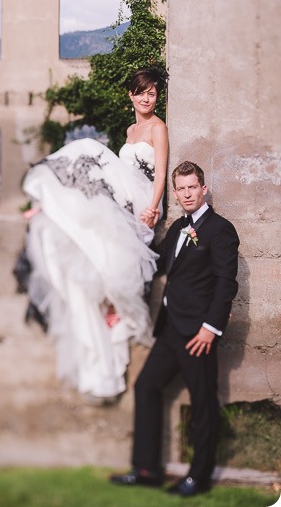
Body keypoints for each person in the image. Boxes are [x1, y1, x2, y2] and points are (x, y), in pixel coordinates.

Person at [21, 67, 168, 403]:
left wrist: (154, 206)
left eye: (152, 92)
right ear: (130, 95)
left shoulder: (157, 128)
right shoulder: (131, 129)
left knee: (89, 147)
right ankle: (47, 203)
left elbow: (160, 171)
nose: (147, 98)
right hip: (125, 191)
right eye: (142, 92)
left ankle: (49, 198)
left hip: (142, 196)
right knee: (88, 173)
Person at [110, 161, 239, 497]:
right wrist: (145, 231)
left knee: (203, 402)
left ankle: (199, 477)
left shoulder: (220, 230)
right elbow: (154, 262)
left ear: (203, 188)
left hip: (198, 333)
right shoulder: (178, 227)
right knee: (146, 387)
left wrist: (211, 328)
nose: (186, 194)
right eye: (180, 189)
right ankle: (147, 469)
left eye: (191, 187)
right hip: (170, 330)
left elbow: (226, 284)